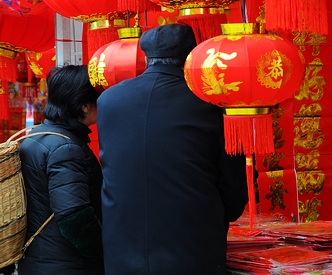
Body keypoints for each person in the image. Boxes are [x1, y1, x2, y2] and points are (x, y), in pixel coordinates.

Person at [97, 23, 248, 274]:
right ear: (191, 56)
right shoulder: (209, 101)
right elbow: (233, 188)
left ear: (146, 57)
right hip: (193, 246)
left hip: (122, 248)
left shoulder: (109, 100)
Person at [18, 65, 104, 274]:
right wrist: (103, 251)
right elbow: (73, 216)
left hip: (40, 259)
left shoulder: (37, 135)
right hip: (66, 265)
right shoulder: (65, 148)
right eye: (99, 97)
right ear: (85, 105)